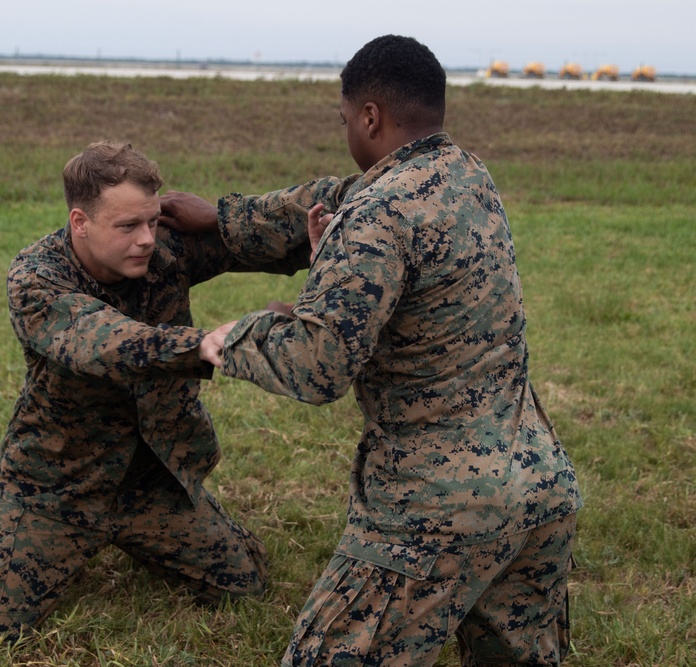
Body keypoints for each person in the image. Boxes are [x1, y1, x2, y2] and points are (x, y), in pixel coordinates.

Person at [165, 35, 583, 666]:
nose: (347, 136)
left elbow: (318, 365)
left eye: (345, 121)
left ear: (369, 116)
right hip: (540, 491)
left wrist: (234, 338)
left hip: (438, 508)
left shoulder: (377, 213)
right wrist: (226, 219)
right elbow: (335, 202)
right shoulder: (469, 176)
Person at [0, 141, 348, 644]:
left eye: (153, 222)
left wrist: (282, 231)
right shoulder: (36, 278)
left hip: (150, 477)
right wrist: (204, 345)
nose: (146, 240)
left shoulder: (163, 249)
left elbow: (267, 237)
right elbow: (109, 344)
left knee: (244, 583)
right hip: (60, 484)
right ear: (80, 222)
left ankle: (139, 538)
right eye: (128, 227)